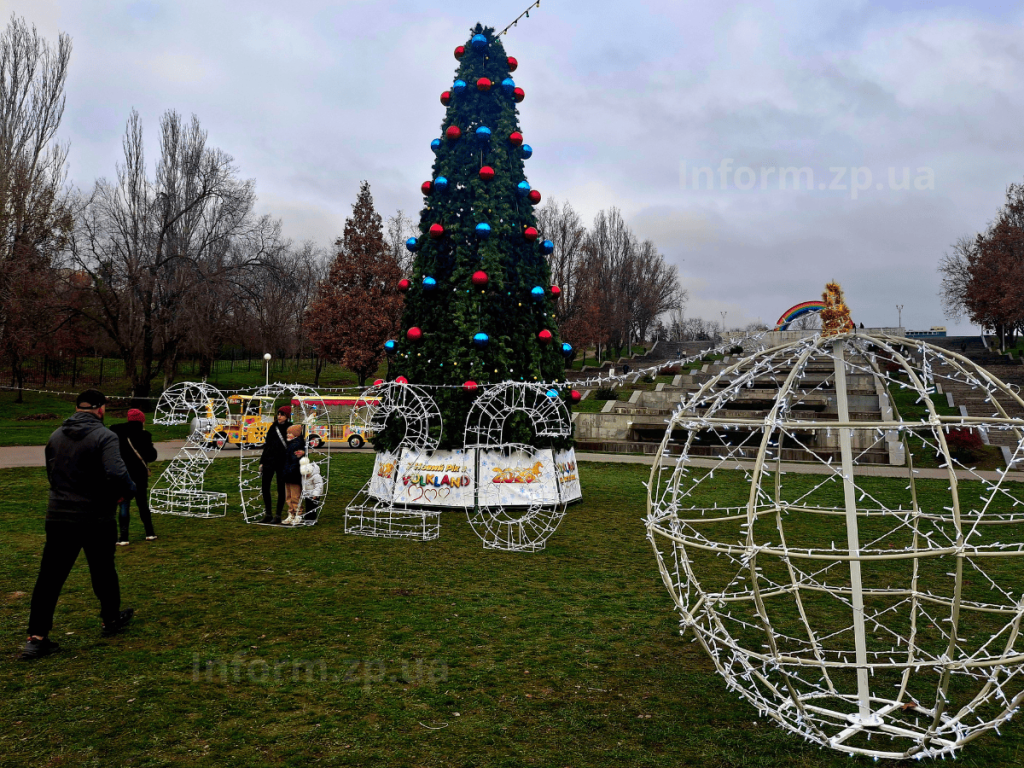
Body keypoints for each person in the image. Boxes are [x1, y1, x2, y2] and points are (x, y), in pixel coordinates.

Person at [20, 389, 137, 661]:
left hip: (59, 515)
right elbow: (116, 472)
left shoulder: (55, 436)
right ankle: (110, 618)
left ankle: (36, 637)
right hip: (95, 516)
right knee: (103, 570)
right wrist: (127, 491)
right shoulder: (105, 436)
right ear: (100, 409)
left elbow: (52, 474)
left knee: (49, 577)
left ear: (77, 408)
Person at [110, 408, 158, 544]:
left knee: (124, 505)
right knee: (142, 504)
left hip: (123, 474)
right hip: (139, 474)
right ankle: (149, 532)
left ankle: (124, 537)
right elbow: (151, 456)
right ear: (141, 421)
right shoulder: (144, 435)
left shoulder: (118, 433)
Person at [259, 405, 292, 524]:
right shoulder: (273, 427)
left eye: (282, 414)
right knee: (265, 487)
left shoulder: (290, 428)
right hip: (269, 460)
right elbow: (267, 445)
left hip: (282, 462)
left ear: (287, 416)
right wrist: (262, 461)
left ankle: (278, 515)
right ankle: (268, 513)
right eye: (278, 414)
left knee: (281, 488)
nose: (279, 416)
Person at [281, 424, 306, 525]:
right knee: (288, 496)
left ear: (296, 434)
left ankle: (298, 514)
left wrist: (290, 470)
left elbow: (295, 460)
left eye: (290, 433)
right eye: (287, 433)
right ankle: (291, 513)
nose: (288, 435)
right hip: (288, 473)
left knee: (295, 496)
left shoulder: (297, 445)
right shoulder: (290, 444)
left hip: (293, 474)